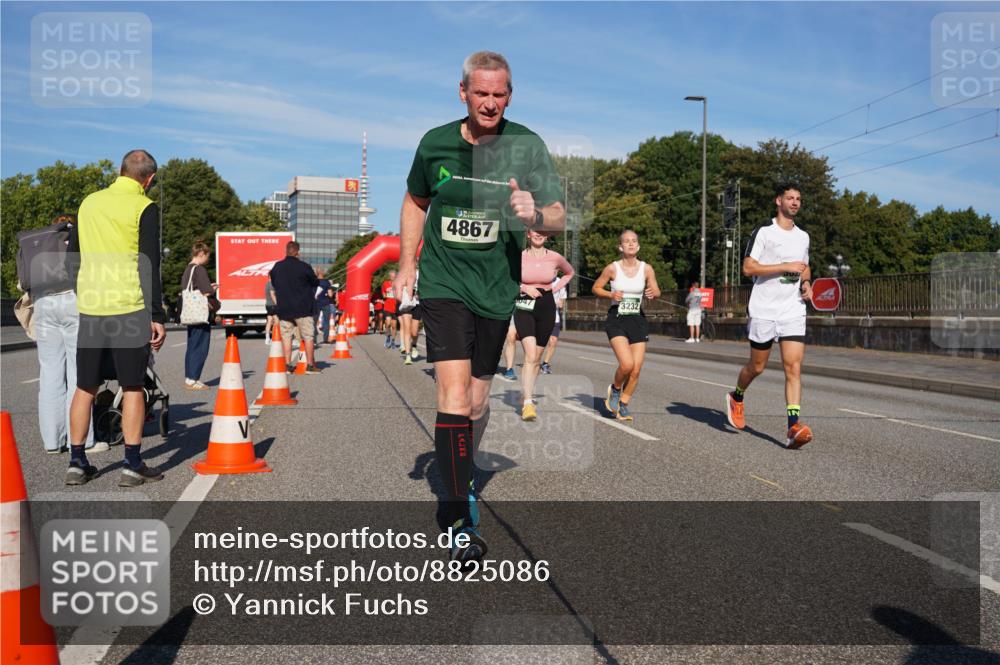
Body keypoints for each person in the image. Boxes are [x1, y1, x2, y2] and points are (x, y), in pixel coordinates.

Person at [393, 51, 564, 562]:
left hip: (496, 286)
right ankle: (456, 514)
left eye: (500, 94)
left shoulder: (526, 145)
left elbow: (557, 214)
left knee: (477, 403)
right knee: (452, 392)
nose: (490, 103)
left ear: (509, 95)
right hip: (444, 282)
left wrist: (535, 210)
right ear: (462, 91)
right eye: (481, 93)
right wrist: (407, 263)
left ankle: (460, 472)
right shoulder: (435, 143)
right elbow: (415, 201)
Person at [67, 149, 166, 487]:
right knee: (133, 385)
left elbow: (72, 259)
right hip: (129, 305)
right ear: (148, 179)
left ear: (121, 170)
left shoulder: (89, 202)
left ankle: (77, 463)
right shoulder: (144, 207)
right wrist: (157, 314)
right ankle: (132, 464)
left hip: (93, 306)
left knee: (85, 385)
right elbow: (149, 262)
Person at [726, 183, 814, 449]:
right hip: (764, 309)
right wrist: (784, 266)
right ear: (778, 201)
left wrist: (806, 283)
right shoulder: (764, 232)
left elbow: (805, 267)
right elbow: (748, 267)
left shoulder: (803, 237)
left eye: (798, 198)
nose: (795, 202)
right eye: (790, 198)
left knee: (793, 367)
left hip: (792, 309)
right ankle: (737, 396)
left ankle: (792, 428)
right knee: (757, 367)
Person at [22, 214, 104, 454]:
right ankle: (81, 440)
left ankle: (52, 441)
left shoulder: (37, 243)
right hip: (71, 299)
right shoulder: (77, 237)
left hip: (42, 302)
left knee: (49, 374)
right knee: (79, 374)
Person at [591, 229, 661, 421]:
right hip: (617, 318)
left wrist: (652, 293)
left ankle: (623, 403)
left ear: (638, 246)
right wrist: (610, 294)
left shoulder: (647, 268)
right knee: (627, 364)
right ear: (620, 246)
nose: (630, 244)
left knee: (636, 369)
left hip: (637, 319)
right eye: (626, 241)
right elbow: (596, 287)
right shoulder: (612, 268)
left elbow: (656, 289)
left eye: (634, 241)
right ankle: (615, 389)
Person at [514, 230, 574, 421]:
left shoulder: (555, 257)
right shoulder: (518, 256)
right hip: (524, 305)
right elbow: (507, 278)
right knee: (530, 355)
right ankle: (528, 403)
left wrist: (553, 289)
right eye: (535, 231)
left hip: (546, 307)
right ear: (528, 234)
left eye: (543, 232)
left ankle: (526, 392)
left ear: (547, 236)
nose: (539, 234)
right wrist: (524, 287)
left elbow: (570, 272)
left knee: (538, 358)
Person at [269, 241, 320, 373]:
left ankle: (287, 365)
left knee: (286, 337)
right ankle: (310, 365)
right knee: (308, 336)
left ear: (286, 251)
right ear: (298, 252)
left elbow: (274, 282)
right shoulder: (304, 267)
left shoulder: (277, 267)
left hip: (284, 308)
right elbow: (314, 282)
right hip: (303, 308)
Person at [180, 241, 220, 390]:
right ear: (201, 254)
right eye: (207, 256)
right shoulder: (199, 270)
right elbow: (206, 291)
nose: (207, 260)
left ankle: (190, 377)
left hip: (191, 314)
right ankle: (193, 378)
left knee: (192, 346)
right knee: (200, 346)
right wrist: (213, 288)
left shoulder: (187, 270)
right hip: (199, 314)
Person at [540, 276, 567, 374]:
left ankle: (545, 363)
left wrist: (560, 304)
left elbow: (562, 303)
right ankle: (533, 361)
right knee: (539, 342)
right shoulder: (541, 280)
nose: (554, 271)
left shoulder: (561, 283)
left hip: (554, 317)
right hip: (540, 317)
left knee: (553, 341)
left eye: (556, 269)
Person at [398, 270, 421, 365]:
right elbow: (397, 287)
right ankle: (408, 356)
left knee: (414, 332)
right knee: (407, 329)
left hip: (417, 303)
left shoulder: (420, 273)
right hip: (407, 304)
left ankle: (414, 345)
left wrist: (419, 293)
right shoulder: (403, 273)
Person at [314, 268, 334, 345]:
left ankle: (314, 340)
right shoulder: (327, 282)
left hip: (316, 304)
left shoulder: (314, 281)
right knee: (326, 322)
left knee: (314, 322)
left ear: (316, 273)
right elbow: (330, 294)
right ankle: (325, 339)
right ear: (323, 273)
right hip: (326, 303)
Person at [382, 270, 399, 349]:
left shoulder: (398, 284)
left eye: (394, 276)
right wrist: (385, 295)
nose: (392, 277)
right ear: (389, 276)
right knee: (388, 323)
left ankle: (393, 341)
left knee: (394, 326)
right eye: (391, 276)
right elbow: (383, 293)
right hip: (387, 306)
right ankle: (388, 337)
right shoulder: (385, 284)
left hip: (395, 307)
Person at [264, 278, 278, 344]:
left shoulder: (267, 284)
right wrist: (277, 304)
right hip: (273, 305)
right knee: (276, 321)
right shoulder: (272, 284)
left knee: (269, 321)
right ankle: (274, 337)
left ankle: (267, 338)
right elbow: (272, 294)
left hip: (268, 305)